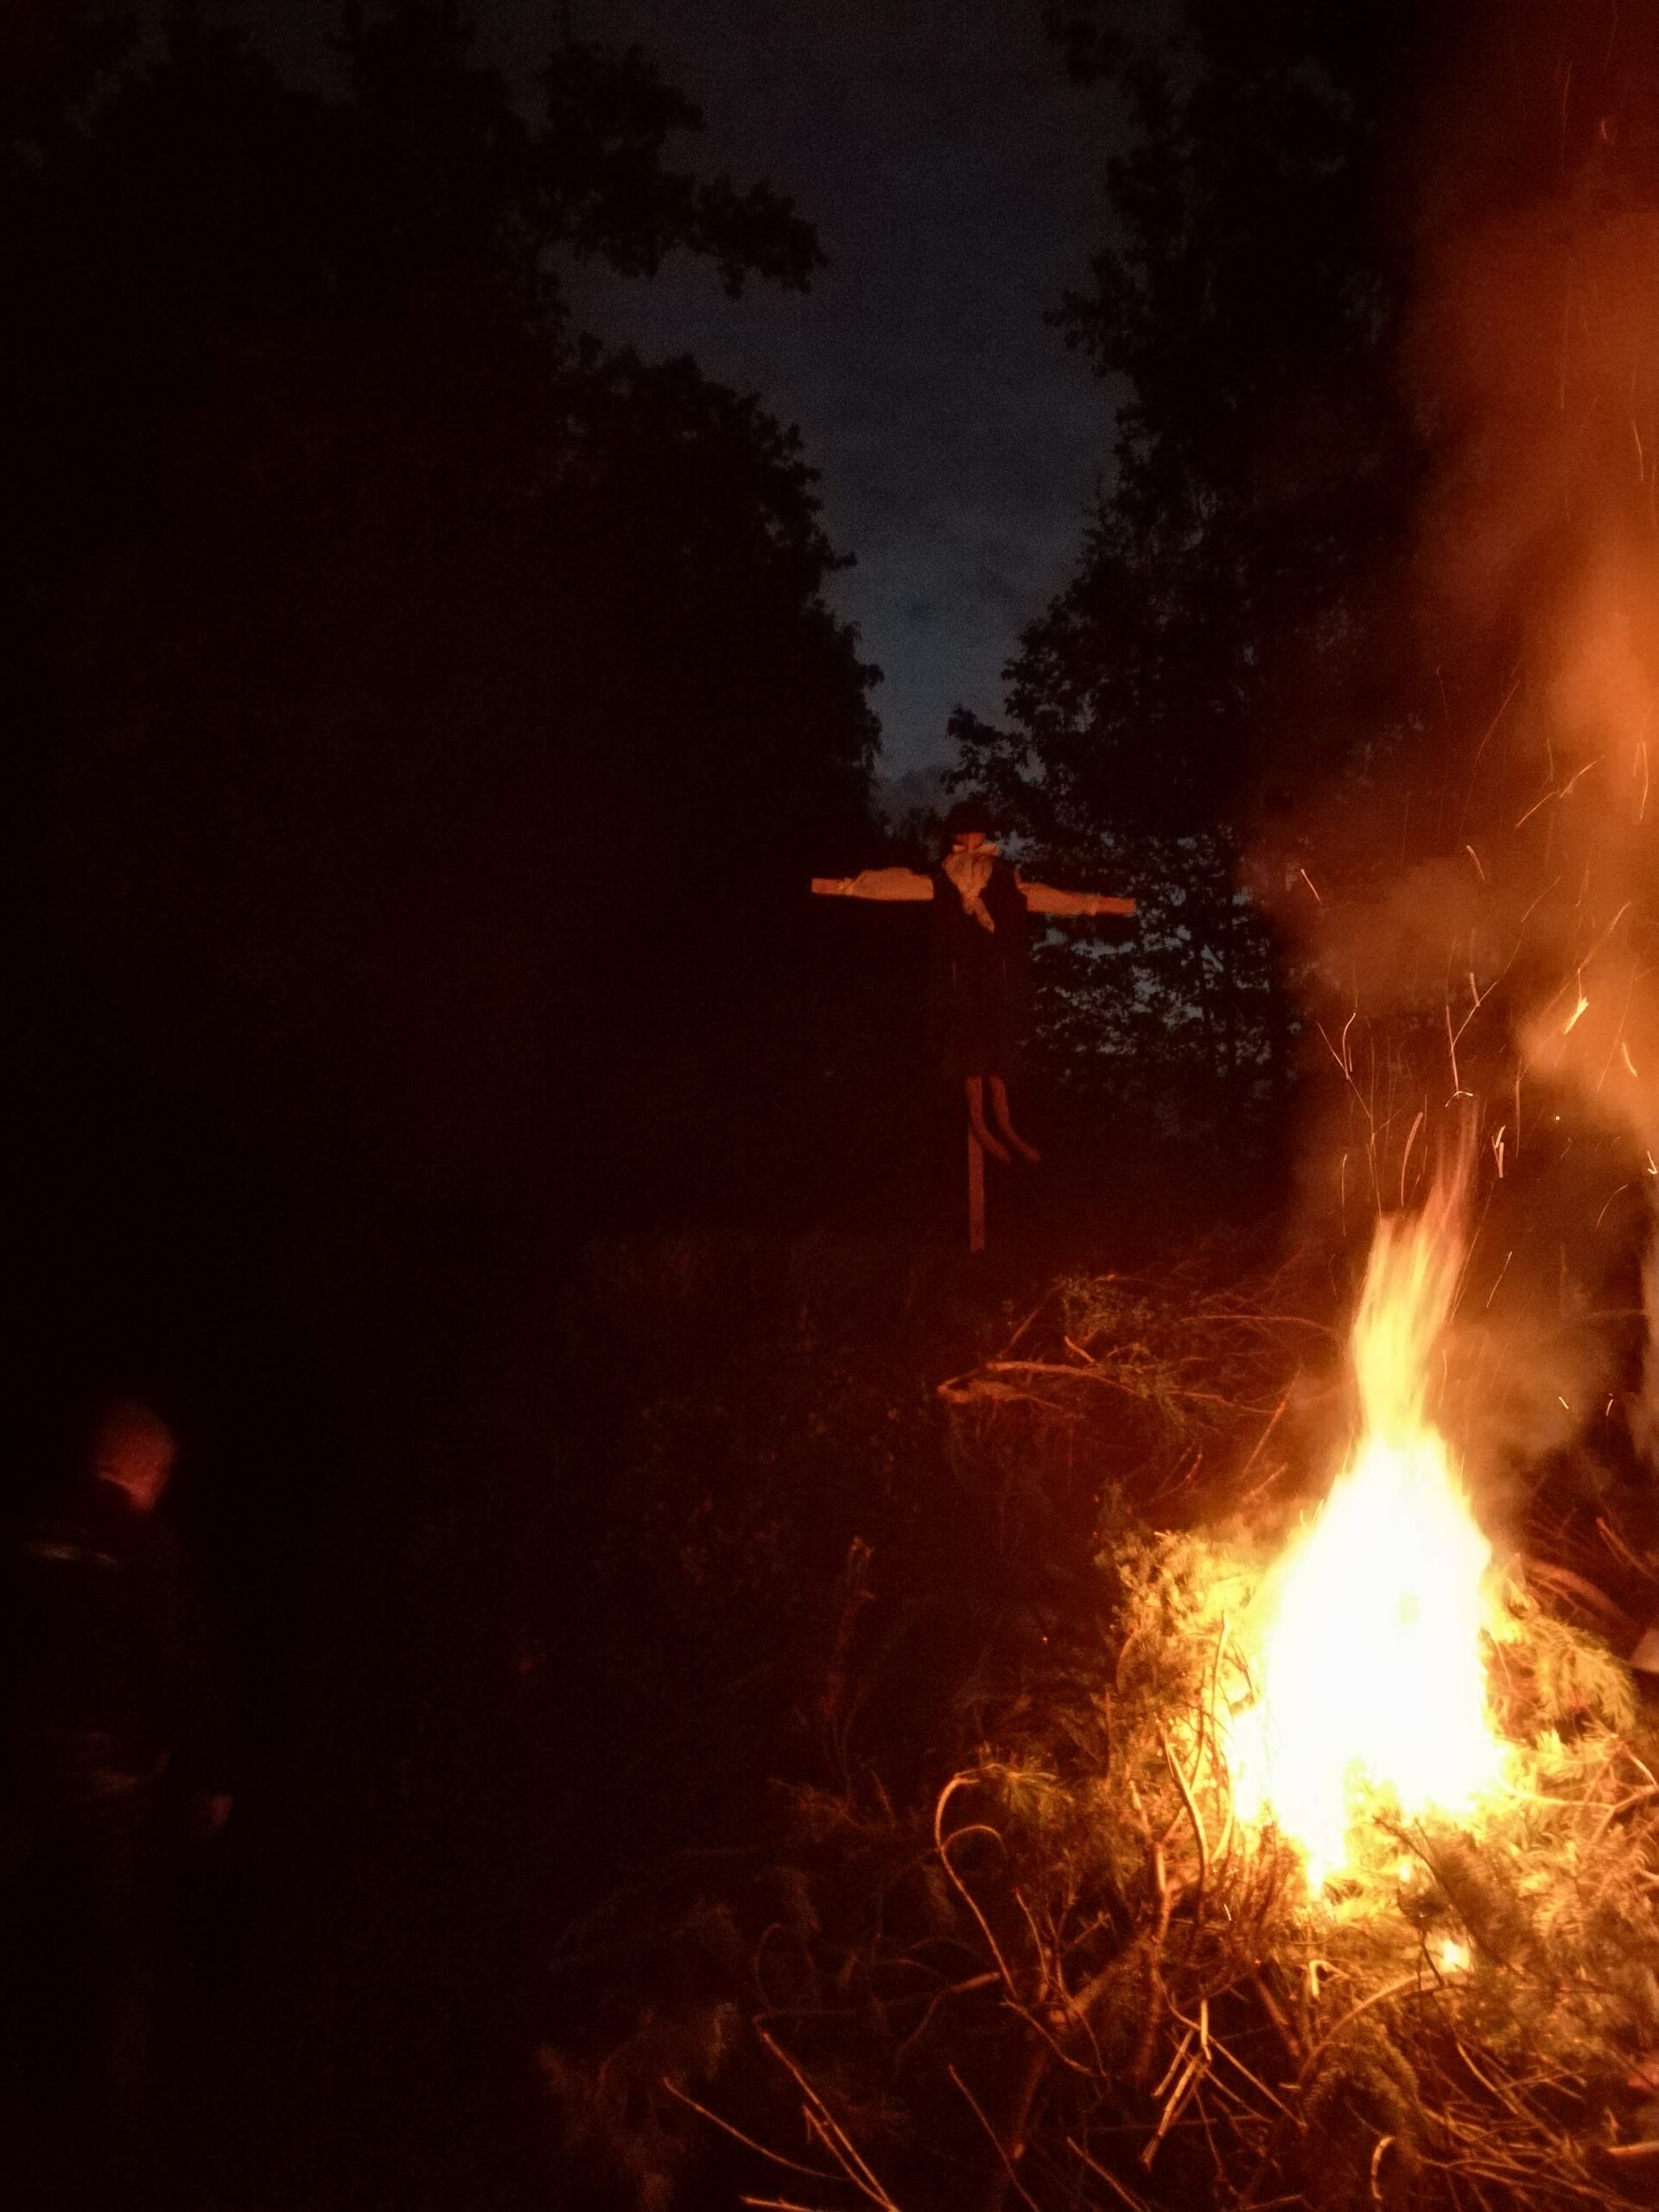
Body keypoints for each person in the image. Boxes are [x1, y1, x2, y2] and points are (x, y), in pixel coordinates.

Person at [2, 1398, 230, 2202]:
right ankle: (118, 2141)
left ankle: (24, 2100)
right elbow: (185, 1667)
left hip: (18, 1773)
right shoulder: (150, 1549)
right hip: (113, 1786)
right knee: (124, 1954)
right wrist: (208, 1776)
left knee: (21, 1930)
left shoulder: (24, 1532)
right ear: (147, 1470)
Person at [812, 800, 1134, 1162]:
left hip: (996, 981)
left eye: (976, 832)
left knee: (997, 1059)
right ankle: (980, 1124)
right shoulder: (943, 880)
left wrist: (1100, 904)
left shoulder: (1005, 877)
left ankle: (1007, 1126)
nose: (971, 838)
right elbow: (897, 886)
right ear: (958, 837)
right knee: (970, 1057)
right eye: (966, 832)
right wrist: (845, 887)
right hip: (961, 981)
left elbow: (1050, 897)